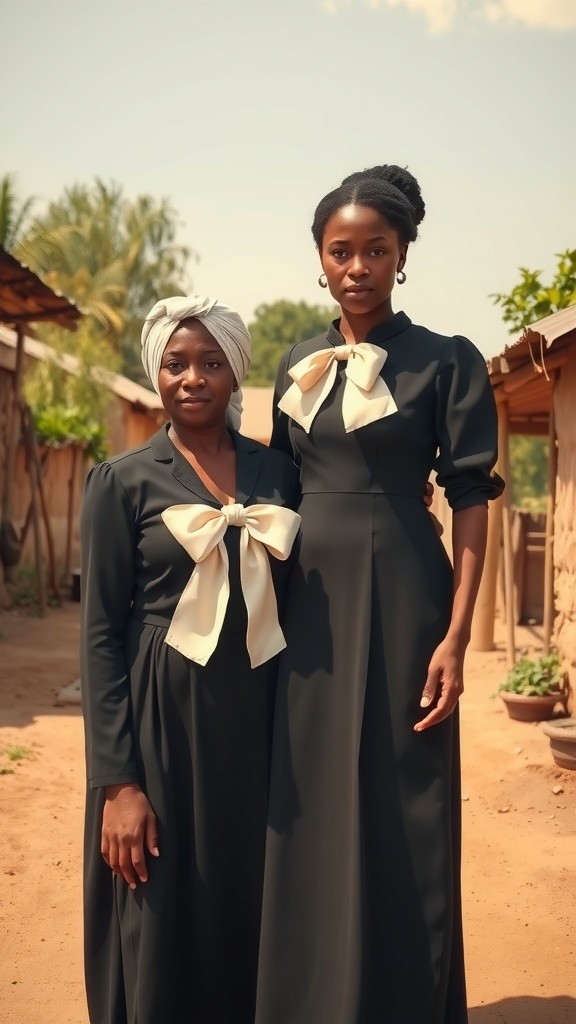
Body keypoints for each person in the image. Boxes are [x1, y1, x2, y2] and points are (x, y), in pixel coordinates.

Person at [255, 165, 504, 1024]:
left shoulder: (448, 359)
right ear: (320, 259)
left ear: (402, 257)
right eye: (340, 251)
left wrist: (457, 635)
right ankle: (311, 998)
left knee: (408, 794)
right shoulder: (296, 362)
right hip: (307, 606)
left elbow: (470, 498)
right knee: (307, 792)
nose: (357, 266)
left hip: (407, 598)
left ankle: (404, 999)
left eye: (376, 250)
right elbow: (274, 488)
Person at [80, 295, 301, 1024]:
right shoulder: (121, 481)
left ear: (237, 373)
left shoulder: (282, 476)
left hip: (260, 728)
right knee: (158, 901)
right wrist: (117, 782)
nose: (193, 378)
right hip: (160, 730)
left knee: (251, 902)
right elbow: (100, 635)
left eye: (211, 363)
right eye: (175, 364)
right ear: (156, 373)